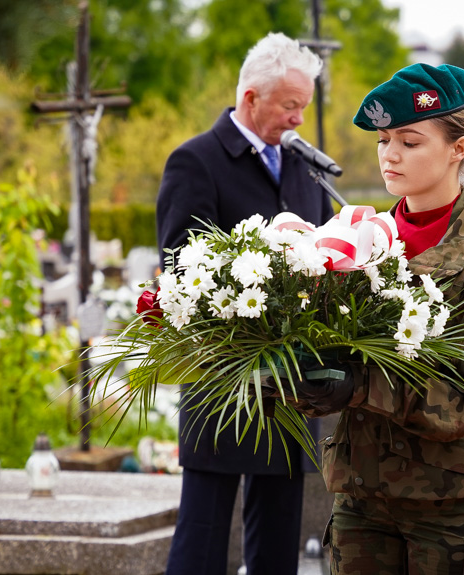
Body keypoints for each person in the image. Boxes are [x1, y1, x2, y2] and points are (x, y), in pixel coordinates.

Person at [265, 63, 464, 574]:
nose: (390, 154)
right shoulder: (359, 242)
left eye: (410, 142)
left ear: (459, 148)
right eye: (384, 139)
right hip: (363, 502)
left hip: (457, 512)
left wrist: (357, 386)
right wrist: (286, 376)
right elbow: (330, 357)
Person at [156, 32, 335, 575]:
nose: (299, 119)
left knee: (279, 539)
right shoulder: (196, 161)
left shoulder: (307, 169)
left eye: (303, 106)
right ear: (252, 98)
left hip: (290, 383)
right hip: (224, 380)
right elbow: (180, 266)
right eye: (290, 106)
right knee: (204, 537)